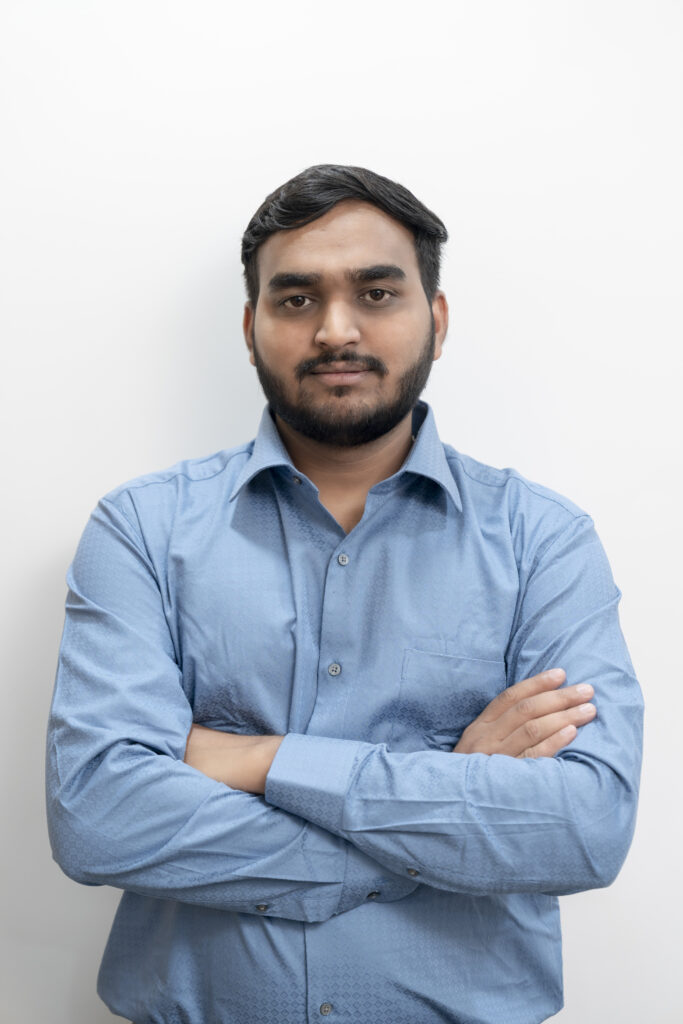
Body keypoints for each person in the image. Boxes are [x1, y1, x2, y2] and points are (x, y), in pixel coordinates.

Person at [46, 164, 643, 1024]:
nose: (335, 329)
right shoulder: (140, 528)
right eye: (295, 299)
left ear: (436, 320)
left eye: (375, 293)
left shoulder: (541, 539)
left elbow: (583, 829)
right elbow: (101, 819)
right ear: (250, 327)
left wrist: (260, 761)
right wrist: (449, 802)